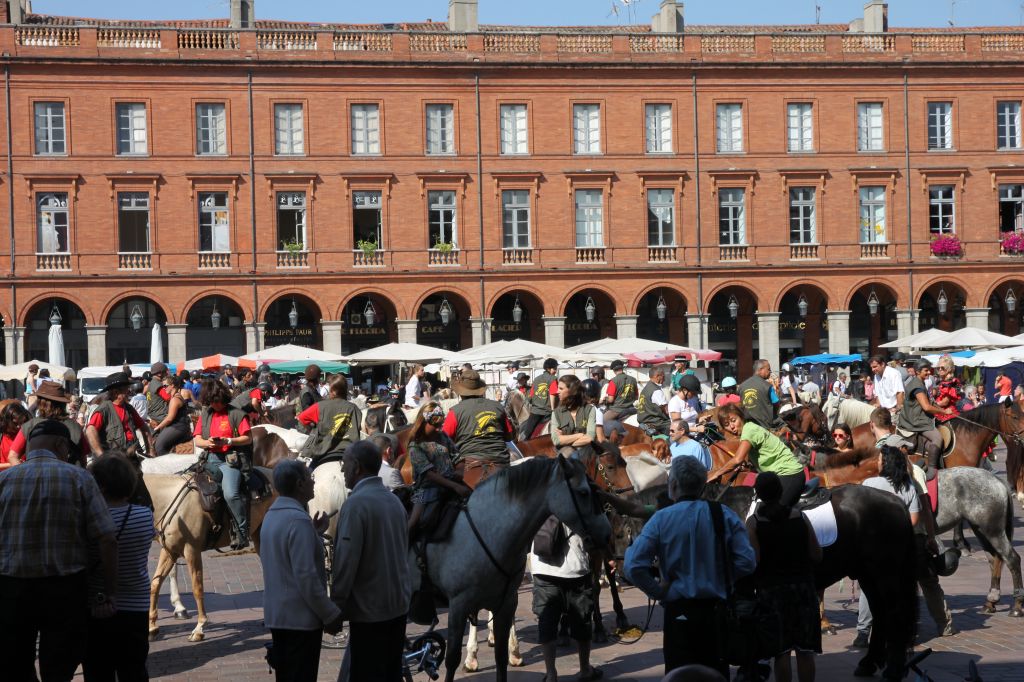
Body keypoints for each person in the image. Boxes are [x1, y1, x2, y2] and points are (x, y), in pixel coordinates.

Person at [0, 420, 118, 682]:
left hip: (12, 589)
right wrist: (110, 590)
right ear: (61, 445)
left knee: (15, 662)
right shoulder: (80, 478)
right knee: (59, 665)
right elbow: (107, 538)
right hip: (64, 589)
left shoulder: (4, 479)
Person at [624, 456, 756, 676]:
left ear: (673, 486)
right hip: (716, 611)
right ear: (703, 485)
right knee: (715, 673)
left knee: (679, 674)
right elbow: (747, 561)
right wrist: (722, 578)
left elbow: (633, 566)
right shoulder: (722, 514)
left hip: (679, 612)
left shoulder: (661, 519)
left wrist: (658, 590)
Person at [854, 445, 956, 659]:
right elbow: (915, 518)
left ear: (886, 462)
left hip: (877, 545)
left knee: (869, 587)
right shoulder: (909, 484)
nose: (878, 462)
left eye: (880, 459)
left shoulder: (870, 483)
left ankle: (863, 632)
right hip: (908, 543)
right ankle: (942, 624)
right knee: (922, 585)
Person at [331, 441, 412, 682]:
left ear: (356, 467)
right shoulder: (393, 501)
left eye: (345, 463)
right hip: (397, 606)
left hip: (369, 613)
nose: (343, 470)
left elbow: (345, 564)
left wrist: (336, 607)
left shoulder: (355, 505)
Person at [260, 460, 343, 682]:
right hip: (299, 621)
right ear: (299, 484)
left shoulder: (271, 515)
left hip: (279, 616)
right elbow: (307, 579)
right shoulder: (297, 520)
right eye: (309, 478)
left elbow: (286, 556)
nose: (313, 482)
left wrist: (313, 534)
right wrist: (330, 614)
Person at [84, 453, 156, 682]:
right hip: (135, 605)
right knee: (134, 670)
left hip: (97, 605)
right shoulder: (145, 515)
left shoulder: (88, 520)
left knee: (97, 671)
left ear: (100, 487)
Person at [746, 472, 822, 682]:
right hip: (803, 589)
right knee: (805, 651)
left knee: (781, 652)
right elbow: (817, 554)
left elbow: (754, 560)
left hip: (772, 592)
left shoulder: (754, 523)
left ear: (758, 493)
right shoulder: (800, 517)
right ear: (781, 492)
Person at [529, 517, 602, 682]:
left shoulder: (536, 496)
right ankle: (585, 670)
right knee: (582, 620)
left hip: (542, 568)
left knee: (546, 622)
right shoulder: (578, 496)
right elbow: (597, 532)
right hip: (576, 568)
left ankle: (551, 674)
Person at [193, 379, 254, 549]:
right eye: (212, 402)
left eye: (218, 401)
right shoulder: (205, 414)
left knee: (230, 494)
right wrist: (208, 443)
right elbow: (197, 440)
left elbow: (248, 438)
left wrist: (228, 440)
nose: (215, 404)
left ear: (223, 398)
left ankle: (241, 532)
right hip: (209, 459)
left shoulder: (236, 413)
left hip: (229, 461)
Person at [710, 403, 806, 506]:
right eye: (726, 424)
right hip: (778, 476)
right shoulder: (748, 429)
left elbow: (737, 459)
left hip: (790, 474)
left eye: (734, 420)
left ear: (741, 417)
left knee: (774, 513)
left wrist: (716, 474)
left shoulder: (749, 430)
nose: (732, 426)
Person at [409, 402, 471, 533]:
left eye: (440, 425)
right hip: (426, 488)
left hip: (452, 480)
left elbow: (457, 458)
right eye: (435, 425)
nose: (439, 429)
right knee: (414, 522)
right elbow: (429, 474)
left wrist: (459, 473)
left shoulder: (443, 437)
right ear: (424, 422)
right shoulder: (415, 446)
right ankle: (405, 547)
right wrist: (455, 486)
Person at [442, 368, 515, 465]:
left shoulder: (455, 412)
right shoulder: (498, 406)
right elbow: (509, 437)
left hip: (469, 462)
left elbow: (444, 440)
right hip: (501, 460)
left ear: (460, 392)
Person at [10, 382, 89, 467]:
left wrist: (24, 472)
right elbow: (83, 459)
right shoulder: (75, 426)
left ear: (41, 402)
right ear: (62, 403)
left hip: (35, 475)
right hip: (68, 477)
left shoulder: (29, 425)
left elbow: (12, 456)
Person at [898, 360, 952, 479]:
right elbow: (926, 407)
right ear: (917, 372)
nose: (929, 372)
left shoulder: (919, 382)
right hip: (915, 420)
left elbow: (929, 402)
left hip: (916, 416)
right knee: (938, 438)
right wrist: (944, 412)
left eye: (929, 370)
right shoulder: (917, 386)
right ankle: (932, 469)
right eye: (926, 370)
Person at [297, 375, 362, 467]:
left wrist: (314, 428)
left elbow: (302, 418)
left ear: (333, 391)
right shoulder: (355, 409)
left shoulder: (319, 406)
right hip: (350, 454)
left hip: (323, 453)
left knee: (307, 475)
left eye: (330, 390)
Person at [85, 372, 155, 458]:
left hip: (133, 453)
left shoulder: (129, 408)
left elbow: (144, 428)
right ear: (116, 392)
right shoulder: (104, 409)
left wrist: (150, 451)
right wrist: (101, 455)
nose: (129, 391)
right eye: (126, 389)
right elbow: (90, 431)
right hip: (115, 457)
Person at [550, 374, 598, 458]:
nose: (557, 391)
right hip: (565, 452)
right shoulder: (556, 413)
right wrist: (580, 435)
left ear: (573, 391)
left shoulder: (590, 409)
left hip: (586, 451)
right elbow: (556, 440)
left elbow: (590, 438)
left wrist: (565, 439)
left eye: (561, 388)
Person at [151, 375, 194, 455]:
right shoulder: (176, 396)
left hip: (178, 427)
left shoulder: (175, 399)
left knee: (159, 446)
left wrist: (158, 427)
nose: (164, 388)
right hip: (180, 426)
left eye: (165, 386)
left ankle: (166, 465)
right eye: (163, 386)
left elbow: (169, 418)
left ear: (172, 385)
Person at [521, 358, 559, 440]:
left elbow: (530, 395)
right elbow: (553, 394)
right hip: (548, 412)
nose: (556, 370)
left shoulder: (536, 379)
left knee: (527, 432)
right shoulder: (553, 379)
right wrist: (553, 410)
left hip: (535, 411)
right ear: (549, 368)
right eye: (554, 368)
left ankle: (522, 444)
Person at [737, 359, 775, 428]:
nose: (770, 371)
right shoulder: (767, 386)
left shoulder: (741, 386)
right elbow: (776, 404)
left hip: (747, 426)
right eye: (768, 369)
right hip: (765, 426)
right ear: (761, 369)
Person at [637, 367, 671, 437]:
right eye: (663, 376)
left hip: (643, 419)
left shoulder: (646, 388)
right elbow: (667, 411)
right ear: (657, 376)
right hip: (655, 422)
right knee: (678, 429)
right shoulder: (656, 391)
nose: (664, 379)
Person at [932, 355, 963, 423]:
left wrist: (930, 405)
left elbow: (944, 402)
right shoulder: (943, 381)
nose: (940, 369)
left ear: (949, 369)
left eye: (942, 368)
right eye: (938, 368)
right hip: (940, 410)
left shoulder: (950, 382)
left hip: (946, 413)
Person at [144, 362, 171, 430]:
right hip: (161, 417)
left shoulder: (150, 384)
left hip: (153, 416)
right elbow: (168, 398)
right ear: (159, 373)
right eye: (165, 372)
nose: (167, 374)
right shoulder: (158, 385)